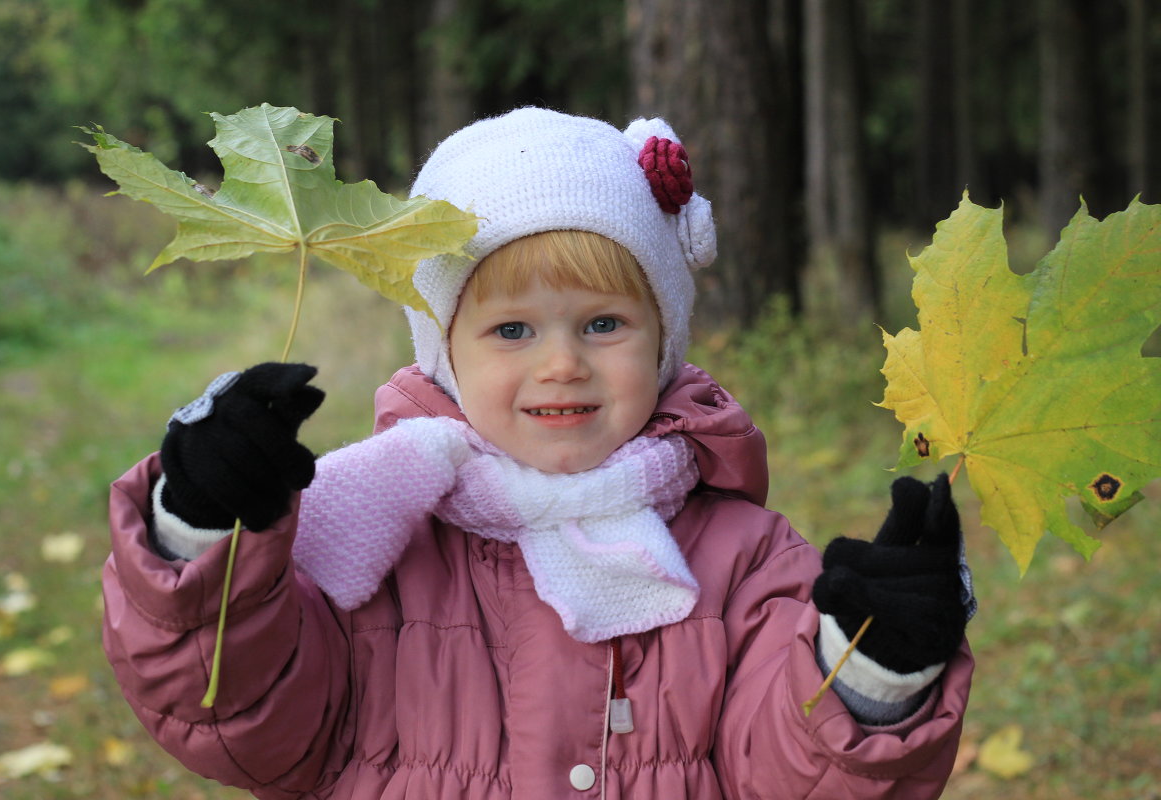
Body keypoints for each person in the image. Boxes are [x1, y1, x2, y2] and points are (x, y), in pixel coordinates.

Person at [102, 107, 974, 799]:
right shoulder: (368, 541)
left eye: (603, 324)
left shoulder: (744, 560)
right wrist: (203, 525)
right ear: (445, 352)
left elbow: (791, 773)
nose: (562, 363)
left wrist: (874, 669)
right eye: (511, 329)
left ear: (664, 342)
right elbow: (242, 721)